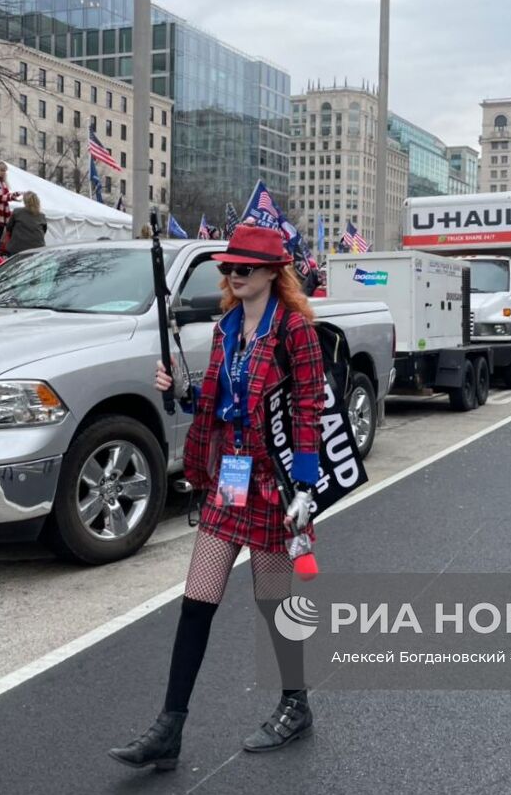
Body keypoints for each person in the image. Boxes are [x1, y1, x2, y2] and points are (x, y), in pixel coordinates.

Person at [110, 225, 326, 772]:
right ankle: (170, 727)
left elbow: (307, 410)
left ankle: (295, 703)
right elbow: (217, 398)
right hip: (229, 477)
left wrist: (304, 486)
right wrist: (178, 390)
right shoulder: (227, 327)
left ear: (273, 273)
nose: (232, 276)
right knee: (196, 601)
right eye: (228, 268)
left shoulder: (294, 330)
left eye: (243, 269)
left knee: (272, 601)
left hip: (272, 482)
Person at [3, 191, 48, 255]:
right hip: (37, 249)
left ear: (25, 201)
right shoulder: (41, 216)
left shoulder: (17, 212)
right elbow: (44, 231)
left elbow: (9, 228)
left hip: (17, 249)